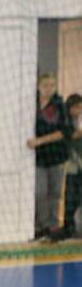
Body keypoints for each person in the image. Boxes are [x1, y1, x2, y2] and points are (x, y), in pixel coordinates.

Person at [28, 73, 71, 240]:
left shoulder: (59, 105)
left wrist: (40, 141)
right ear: (39, 86)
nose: (49, 89)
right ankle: (41, 225)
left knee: (55, 192)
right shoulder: (32, 103)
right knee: (39, 192)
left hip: (57, 156)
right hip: (39, 158)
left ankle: (53, 226)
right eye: (46, 85)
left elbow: (63, 132)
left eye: (52, 85)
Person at [50, 93, 82, 242]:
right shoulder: (65, 122)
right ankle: (68, 228)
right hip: (72, 166)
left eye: (80, 107)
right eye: (76, 107)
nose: (78, 110)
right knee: (70, 198)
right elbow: (70, 135)